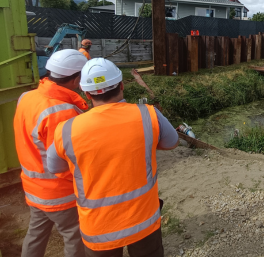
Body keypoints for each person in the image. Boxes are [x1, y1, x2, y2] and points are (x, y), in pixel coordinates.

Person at [46, 58, 179, 257]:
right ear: (122, 85)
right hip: (143, 220)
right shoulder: (148, 115)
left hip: (98, 227)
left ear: (86, 92)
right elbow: (172, 142)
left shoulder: (66, 130)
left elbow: (55, 167)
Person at [14, 49, 88, 257]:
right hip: (59, 191)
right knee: (75, 237)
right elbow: (67, 159)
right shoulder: (62, 111)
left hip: (34, 187)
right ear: (75, 80)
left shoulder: (26, 97)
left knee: (36, 234)